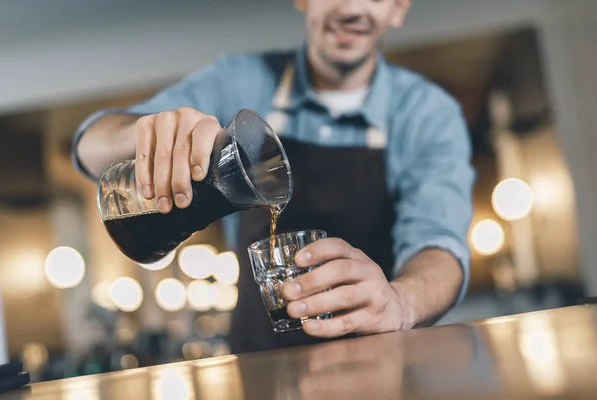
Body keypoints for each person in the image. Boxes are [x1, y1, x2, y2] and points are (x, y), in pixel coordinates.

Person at [73, 0, 474, 353]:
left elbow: (438, 246)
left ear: (399, 7)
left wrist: (400, 304)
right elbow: (89, 146)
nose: (353, 7)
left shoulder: (427, 114)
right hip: (256, 362)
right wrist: (142, 133)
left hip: (380, 365)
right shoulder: (239, 81)